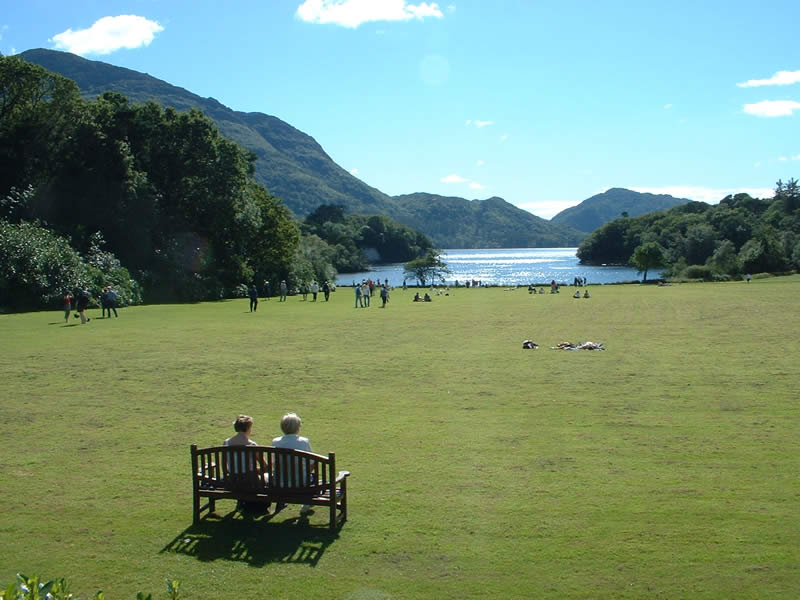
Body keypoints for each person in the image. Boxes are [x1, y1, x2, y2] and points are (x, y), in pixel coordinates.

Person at [225, 414, 269, 513]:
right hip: (251, 482)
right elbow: (265, 467)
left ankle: (243, 502)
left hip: (232, 481)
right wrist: (255, 471)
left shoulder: (226, 443)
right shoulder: (252, 445)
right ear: (248, 428)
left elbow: (226, 467)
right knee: (267, 477)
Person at [272, 412, 314, 516]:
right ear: (298, 427)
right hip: (301, 482)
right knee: (313, 477)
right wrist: (306, 472)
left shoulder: (276, 442)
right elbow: (312, 463)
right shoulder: (304, 442)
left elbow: (273, 463)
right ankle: (306, 504)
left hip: (279, 482)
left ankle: (281, 501)